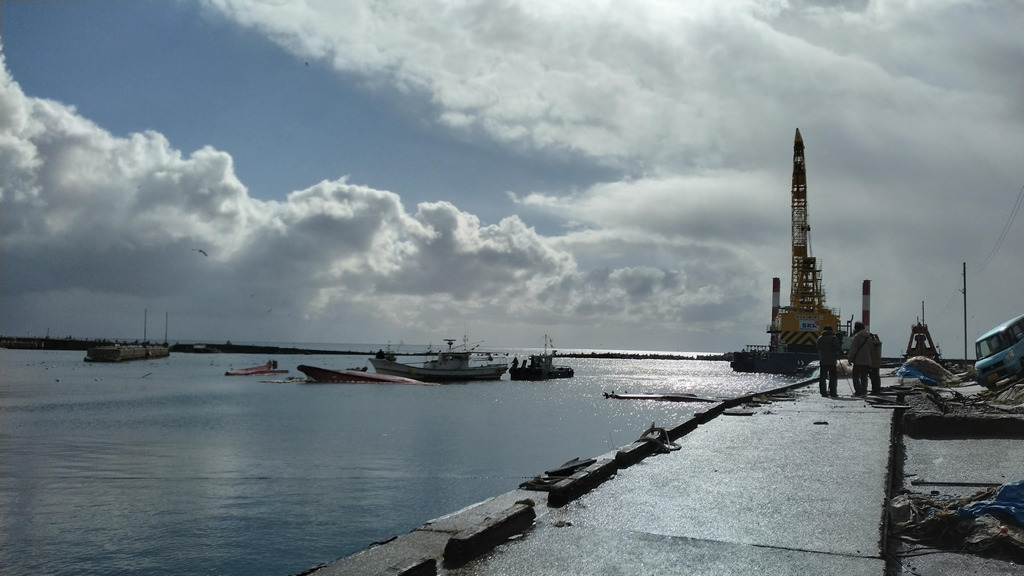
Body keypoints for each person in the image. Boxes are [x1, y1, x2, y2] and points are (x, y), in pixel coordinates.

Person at [816, 325, 841, 397]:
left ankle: (823, 392)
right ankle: (833, 392)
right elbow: (837, 347)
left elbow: (818, 347)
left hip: (823, 360)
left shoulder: (820, 338)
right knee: (833, 376)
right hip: (832, 360)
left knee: (822, 377)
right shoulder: (834, 338)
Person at [848, 322, 872, 396]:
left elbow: (853, 349)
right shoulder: (869, 337)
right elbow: (871, 349)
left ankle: (858, 391)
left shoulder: (857, 337)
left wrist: (850, 359)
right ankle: (864, 391)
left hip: (858, 360)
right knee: (864, 376)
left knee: (855, 376)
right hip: (867, 360)